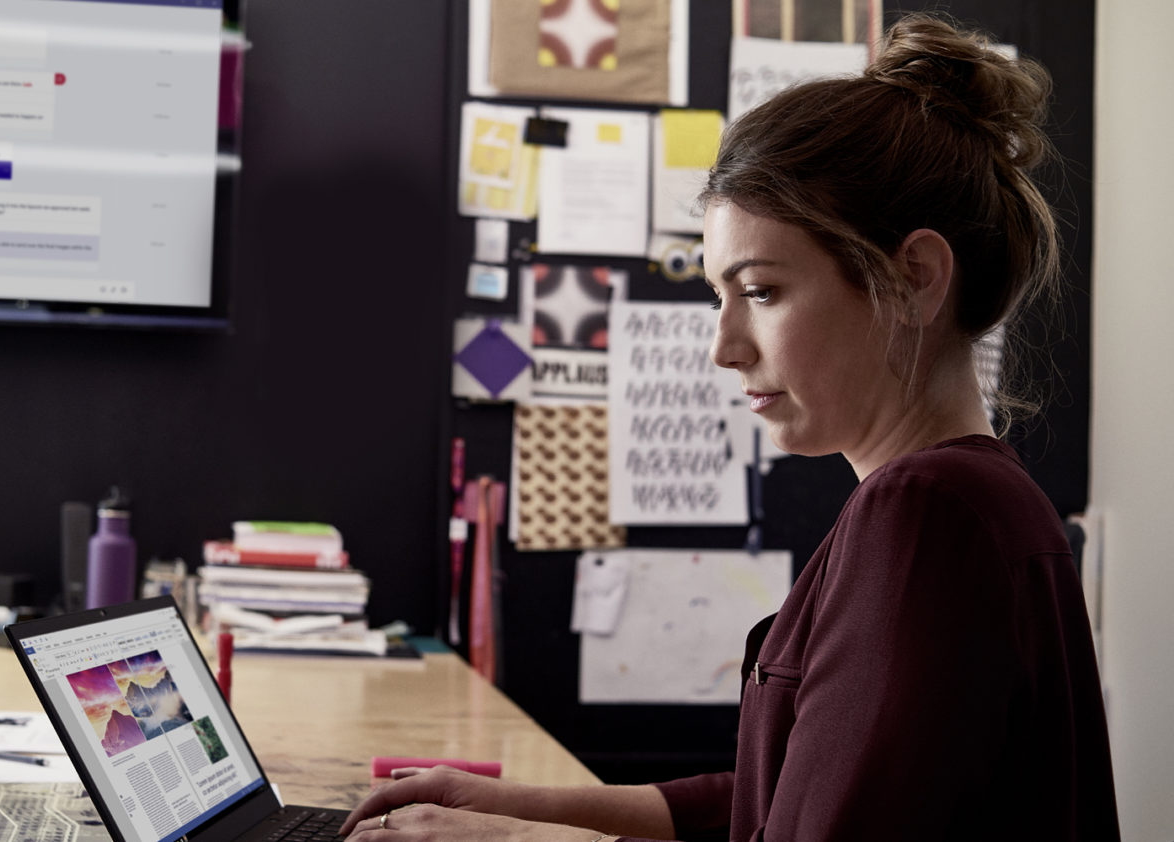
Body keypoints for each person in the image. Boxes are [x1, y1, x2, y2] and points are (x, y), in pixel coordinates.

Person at [341, 14, 1117, 841]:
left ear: (913, 279)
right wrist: (515, 804)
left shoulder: (929, 511)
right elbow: (773, 802)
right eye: (720, 296)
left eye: (762, 292)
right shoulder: (964, 498)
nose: (723, 347)